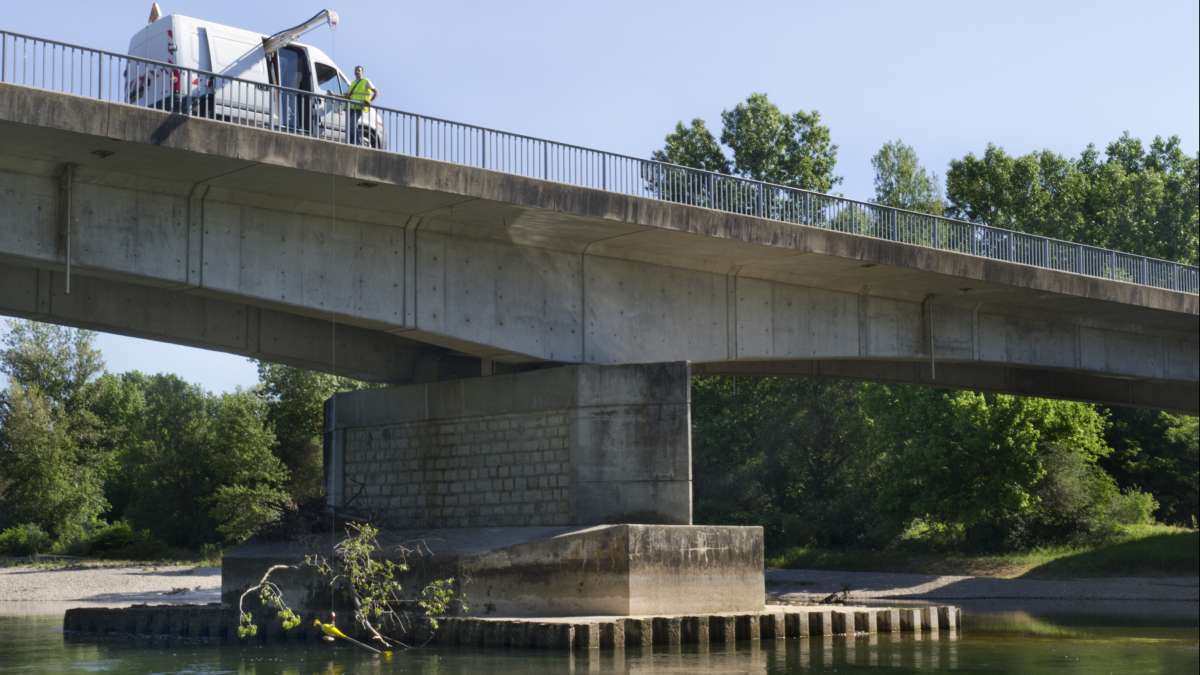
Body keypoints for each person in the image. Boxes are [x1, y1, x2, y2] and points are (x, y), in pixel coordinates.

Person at [347, 65, 378, 145]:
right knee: (350, 126)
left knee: (353, 125)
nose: (357, 72)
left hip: (358, 107)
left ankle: (357, 142)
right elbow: (347, 96)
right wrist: (334, 95)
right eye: (356, 70)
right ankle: (352, 142)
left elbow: (376, 92)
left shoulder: (366, 81)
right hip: (351, 107)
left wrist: (369, 101)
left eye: (359, 70)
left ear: (362, 72)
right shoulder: (353, 83)